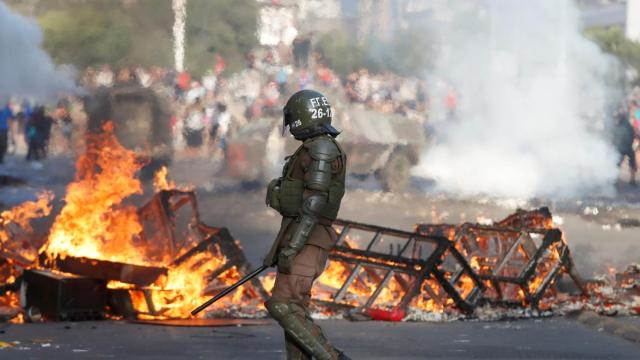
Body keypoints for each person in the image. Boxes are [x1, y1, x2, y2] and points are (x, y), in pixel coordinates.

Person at [263, 90, 350, 360]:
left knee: (284, 306)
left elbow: (313, 203)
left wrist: (293, 246)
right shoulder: (314, 146)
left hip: (309, 238)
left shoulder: (321, 148)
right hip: (301, 234)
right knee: (293, 310)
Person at [612, 105, 637, 185]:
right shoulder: (623, 126)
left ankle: (631, 180)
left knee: (620, 164)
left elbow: (633, 134)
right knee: (619, 164)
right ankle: (615, 179)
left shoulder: (624, 125)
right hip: (624, 147)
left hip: (624, 147)